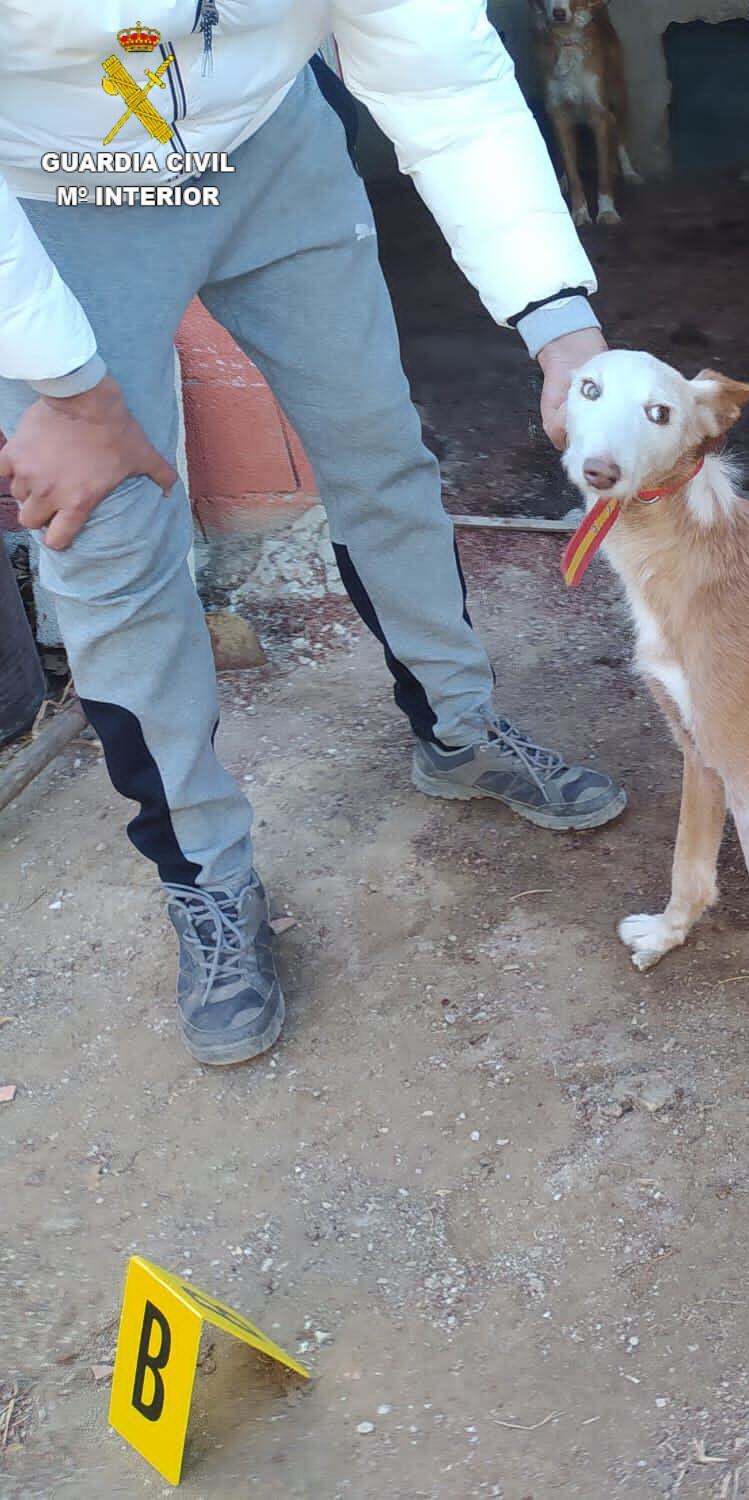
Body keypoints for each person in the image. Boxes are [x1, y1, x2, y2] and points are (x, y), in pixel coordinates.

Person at [0, 4, 625, 1067]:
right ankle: (202, 869)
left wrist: (563, 329)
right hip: (59, 188)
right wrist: (64, 388)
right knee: (106, 535)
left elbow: (443, 82)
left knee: (378, 448)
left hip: (268, 145)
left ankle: (458, 727)